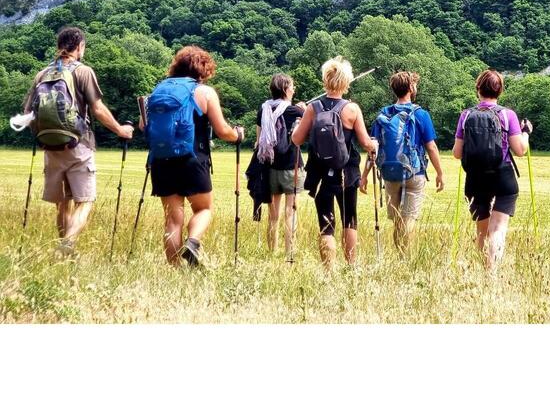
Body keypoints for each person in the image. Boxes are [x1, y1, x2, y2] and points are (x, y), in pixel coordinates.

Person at [23, 26, 134, 258]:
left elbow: (27, 113)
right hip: (79, 145)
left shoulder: (41, 74)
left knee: (62, 204)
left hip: (50, 147)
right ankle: (68, 244)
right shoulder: (83, 71)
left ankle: (65, 254)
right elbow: (98, 109)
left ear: (59, 46)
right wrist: (120, 130)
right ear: (80, 46)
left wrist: (43, 135)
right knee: (85, 201)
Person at [142, 46, 243, 267]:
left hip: (161, 160)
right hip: (193, 159)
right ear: (204, 69)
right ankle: (193, 242)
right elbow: (222, 130)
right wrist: (238, 135)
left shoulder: (158, 90)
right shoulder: (204, 92)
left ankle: (174, 270)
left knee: (172, 219)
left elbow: (143, 125)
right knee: (203, 209)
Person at [291, 56, 378, 268]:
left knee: (326, 222)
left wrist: (299, 121)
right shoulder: (352, 109)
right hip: (346, 172)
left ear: (325, 80)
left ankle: (328, 270)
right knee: (350, 219)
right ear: (346, 82)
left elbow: (296, 139)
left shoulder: (313, 108)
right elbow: (366, 142)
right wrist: (373, 146)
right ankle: (350, 266)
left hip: (320, 173)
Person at [452, 69, 532, 272]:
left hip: (475, 177)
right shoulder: (508, 115)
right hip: (503, 175)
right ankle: (491, 273)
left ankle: (478, 270)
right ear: (500, 90)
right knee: (497, 229)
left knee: (481, 231)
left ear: (478, 88)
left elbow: (457, 153)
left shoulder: (466, 114)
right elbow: (520, 150)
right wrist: (525, 132)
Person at [360, 71, 444, 253]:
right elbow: (431, 147)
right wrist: (440, 173)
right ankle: (405, 256)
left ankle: (399, 254)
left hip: (389, 173)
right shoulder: (421, 114)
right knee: (409, 218)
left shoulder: (384, 114)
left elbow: (372, 148)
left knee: (397, 218)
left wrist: (365, 175)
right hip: (415, 173)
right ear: (411, 88)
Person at [254, 73, 306, 258]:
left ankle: (272, 252)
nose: (294, 89)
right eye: (292, 86)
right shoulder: (295, 111)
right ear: (285, 89)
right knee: (290, 211)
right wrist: (303, 110)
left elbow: (258, 141)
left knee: (273, 214)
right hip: (291, 167)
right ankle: (289, 253)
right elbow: (305, 134)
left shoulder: (264, 109)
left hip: (270, 168)